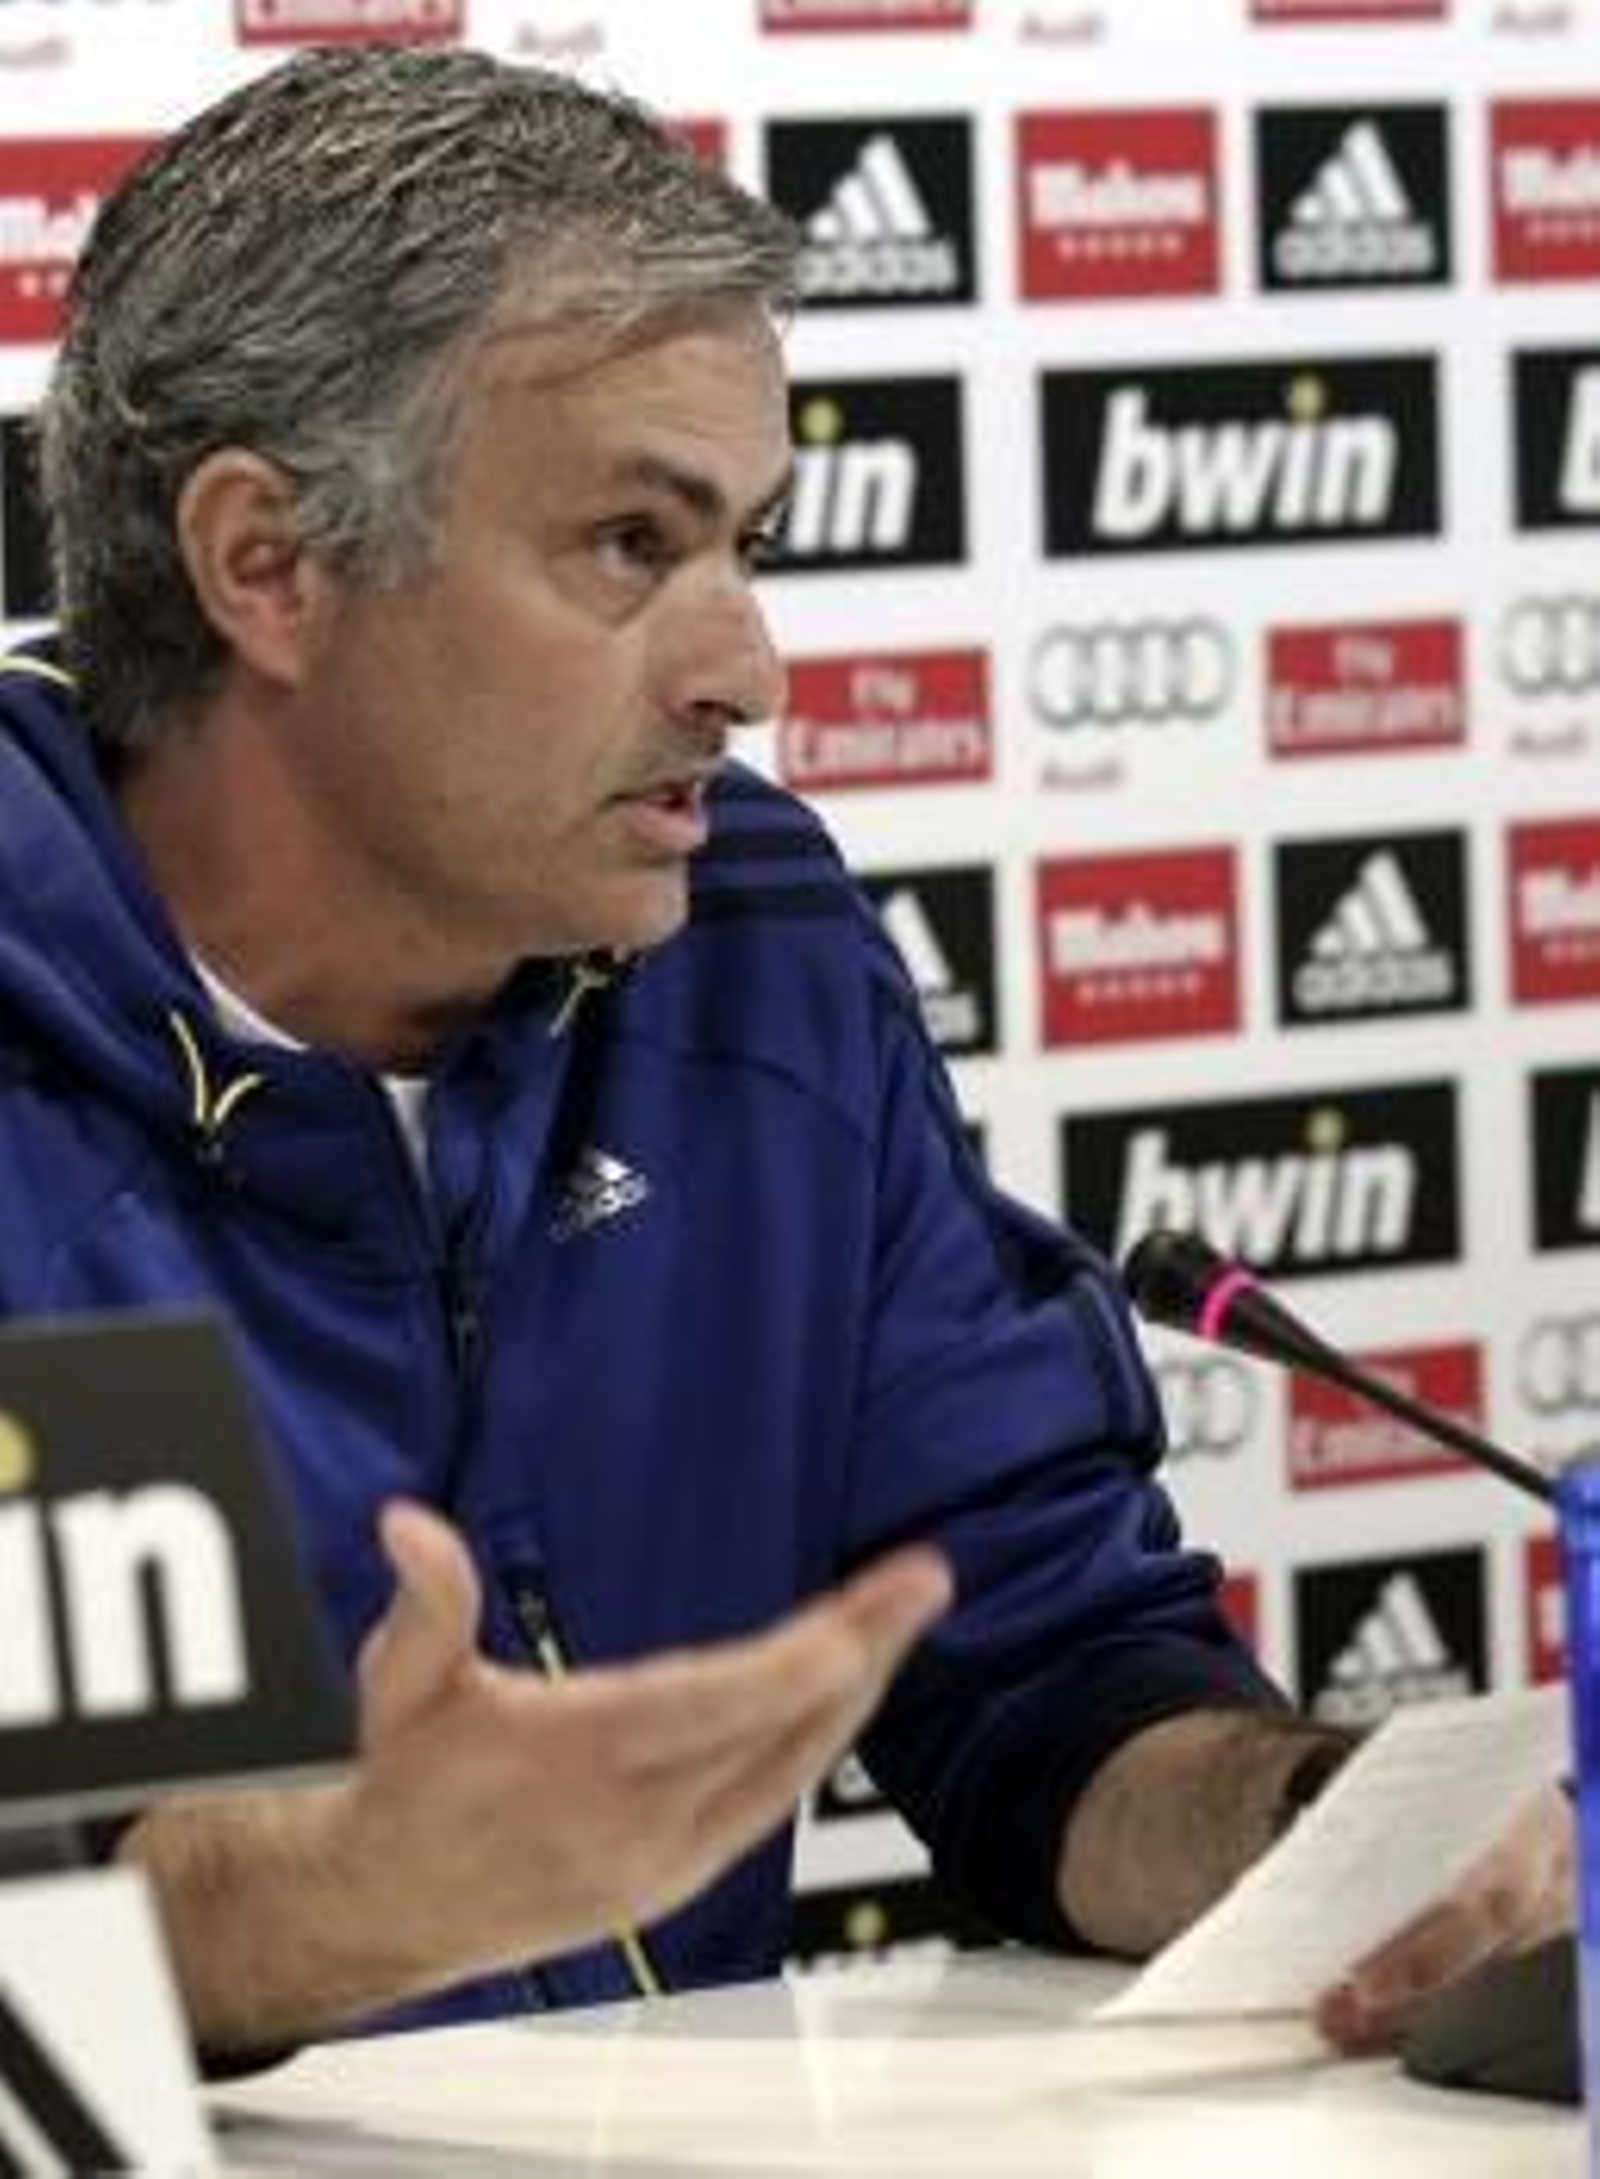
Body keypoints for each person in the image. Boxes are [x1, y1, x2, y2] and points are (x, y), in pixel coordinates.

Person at [0, 45, 1568, 2066]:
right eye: (630, 549)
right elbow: (59, 1903)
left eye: (748, 542)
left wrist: (1319, 1832)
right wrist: (334, 1894)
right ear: (267, 565)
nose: (747, 669)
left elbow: (1038, 1671)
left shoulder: (749, 949)